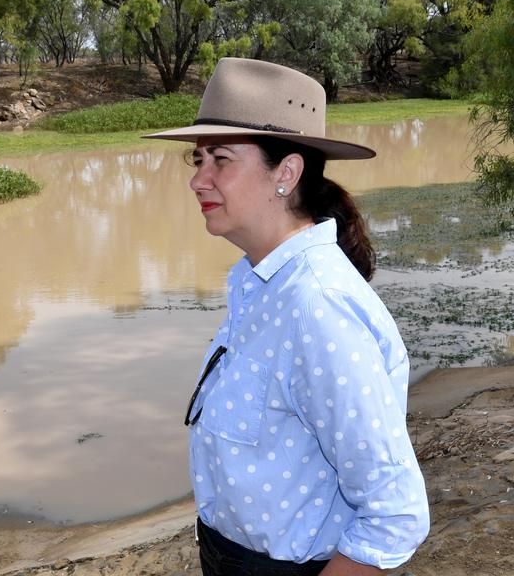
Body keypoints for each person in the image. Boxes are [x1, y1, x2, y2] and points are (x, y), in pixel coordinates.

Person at [145, 58, 429, 575]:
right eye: (198, 159)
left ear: (287, 173)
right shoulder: (256, 281)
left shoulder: (317, 309)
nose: (199, 180)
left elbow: (395, 515)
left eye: (221, 160)